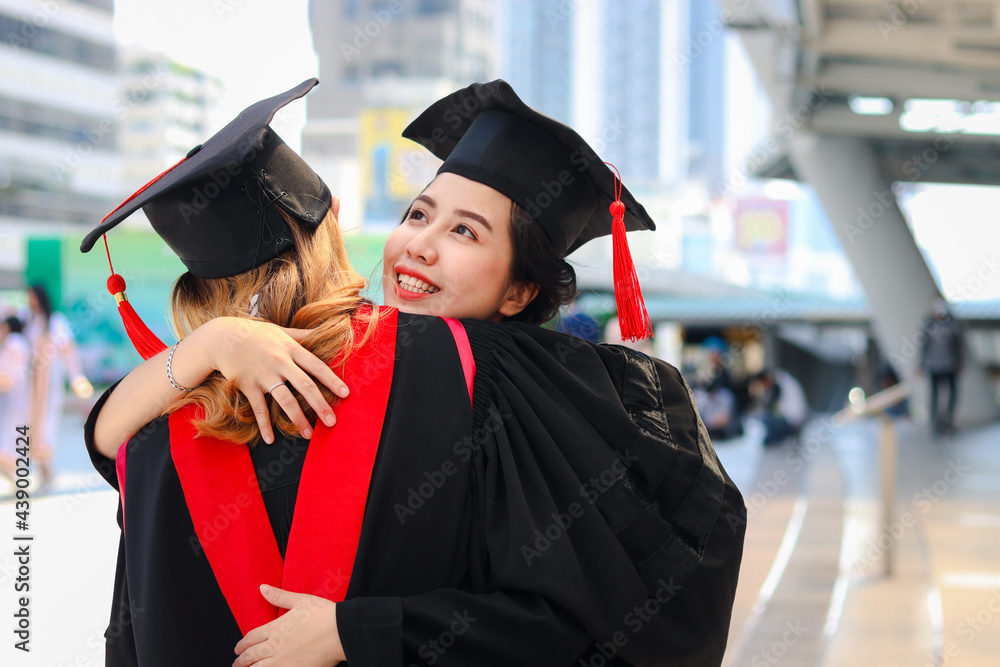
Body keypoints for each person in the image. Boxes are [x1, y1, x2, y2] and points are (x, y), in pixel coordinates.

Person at [82, 80, 745, 666]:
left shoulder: (519, 389)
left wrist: (355, 628)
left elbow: (114, 444)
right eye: (419, 214)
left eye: (466, 233)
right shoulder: (291, 361)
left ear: (519, 292)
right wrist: (217, 343)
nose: (422, 243)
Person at [24, 283, 93, 483]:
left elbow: (68, 351)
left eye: (33, 297)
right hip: (30, 380)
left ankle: (46, 465)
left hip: (49, 379)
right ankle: (33, 464)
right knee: (27, 421)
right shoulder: (29, 320)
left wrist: (76, 377)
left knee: (46, 421)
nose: (31, 301)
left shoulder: (55, 322)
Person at [919, 297, 964, 435]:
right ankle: (935, 424)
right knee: (934, 395)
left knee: (952, 394)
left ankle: (949, 422)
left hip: (950, 364)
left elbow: (958, 344)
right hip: (934, 365)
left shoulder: (953, 324)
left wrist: (960, 361)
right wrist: (922, 364)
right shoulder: (928, 323)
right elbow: (923, 345)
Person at [0, 315, 31, 482]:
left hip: (11, 400)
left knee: (8, 442)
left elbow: (7, 373)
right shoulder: (21, 342)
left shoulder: (13, 342)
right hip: (16, 399)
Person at [749, 368, 809, 446]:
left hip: (792, 420)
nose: (765, 386)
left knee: (763, 421)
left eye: (763, 383)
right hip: (792, 418)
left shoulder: (781, 382)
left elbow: (774, 406)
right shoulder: (781, 380)